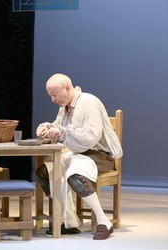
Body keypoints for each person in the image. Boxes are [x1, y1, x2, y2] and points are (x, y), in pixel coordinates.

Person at [35, 73, 123, 240]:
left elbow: (91, 136)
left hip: (99, 154)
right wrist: (47, 128)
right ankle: (69, 221)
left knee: (75, 176)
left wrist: (62, 131)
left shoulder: (89, 103)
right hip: (76, 153)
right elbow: (58, 127)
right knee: (45, 172)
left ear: (67, 88)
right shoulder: (65, 107)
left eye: (55, 95)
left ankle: (104, 221)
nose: (53, 100)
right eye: (50, 96)